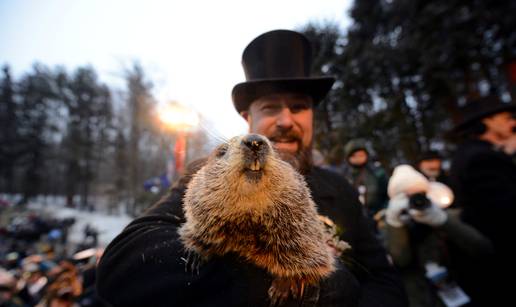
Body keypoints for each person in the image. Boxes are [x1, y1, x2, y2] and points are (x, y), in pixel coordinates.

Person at [96, 29, 407, 307]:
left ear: (312, 116)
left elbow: (386, 282)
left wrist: (344, 295)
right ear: (248, 118)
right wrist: (264, 280)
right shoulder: (208, 171)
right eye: (271, 107)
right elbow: (122, 268)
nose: (286, 121)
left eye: (298, 107)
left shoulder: (339, 188)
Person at [382, 165, 493, 307]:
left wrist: (442, 220)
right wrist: (396, 225)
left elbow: (482, 248)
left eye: (421, 194)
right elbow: (401, 260)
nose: (417, 200)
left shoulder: (449, 215)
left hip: (462, 289)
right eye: (408, 196)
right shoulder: (391, 224)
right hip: (421, 296)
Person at [448, 96, 516, 306]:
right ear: (488, 121)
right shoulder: (481, 158)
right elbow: (505, 215)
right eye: (506, 118)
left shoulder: (472, 153)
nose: (513, 122)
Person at [342, 139, 389, 218]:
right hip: (354, 217)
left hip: (377, 214)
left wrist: (384, 210)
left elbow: (387, 193)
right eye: (354, 156)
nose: (358, 158)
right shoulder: (343, 175)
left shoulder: (377, 172)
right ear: (348, 157)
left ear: (366, 155)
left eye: (361, 155)